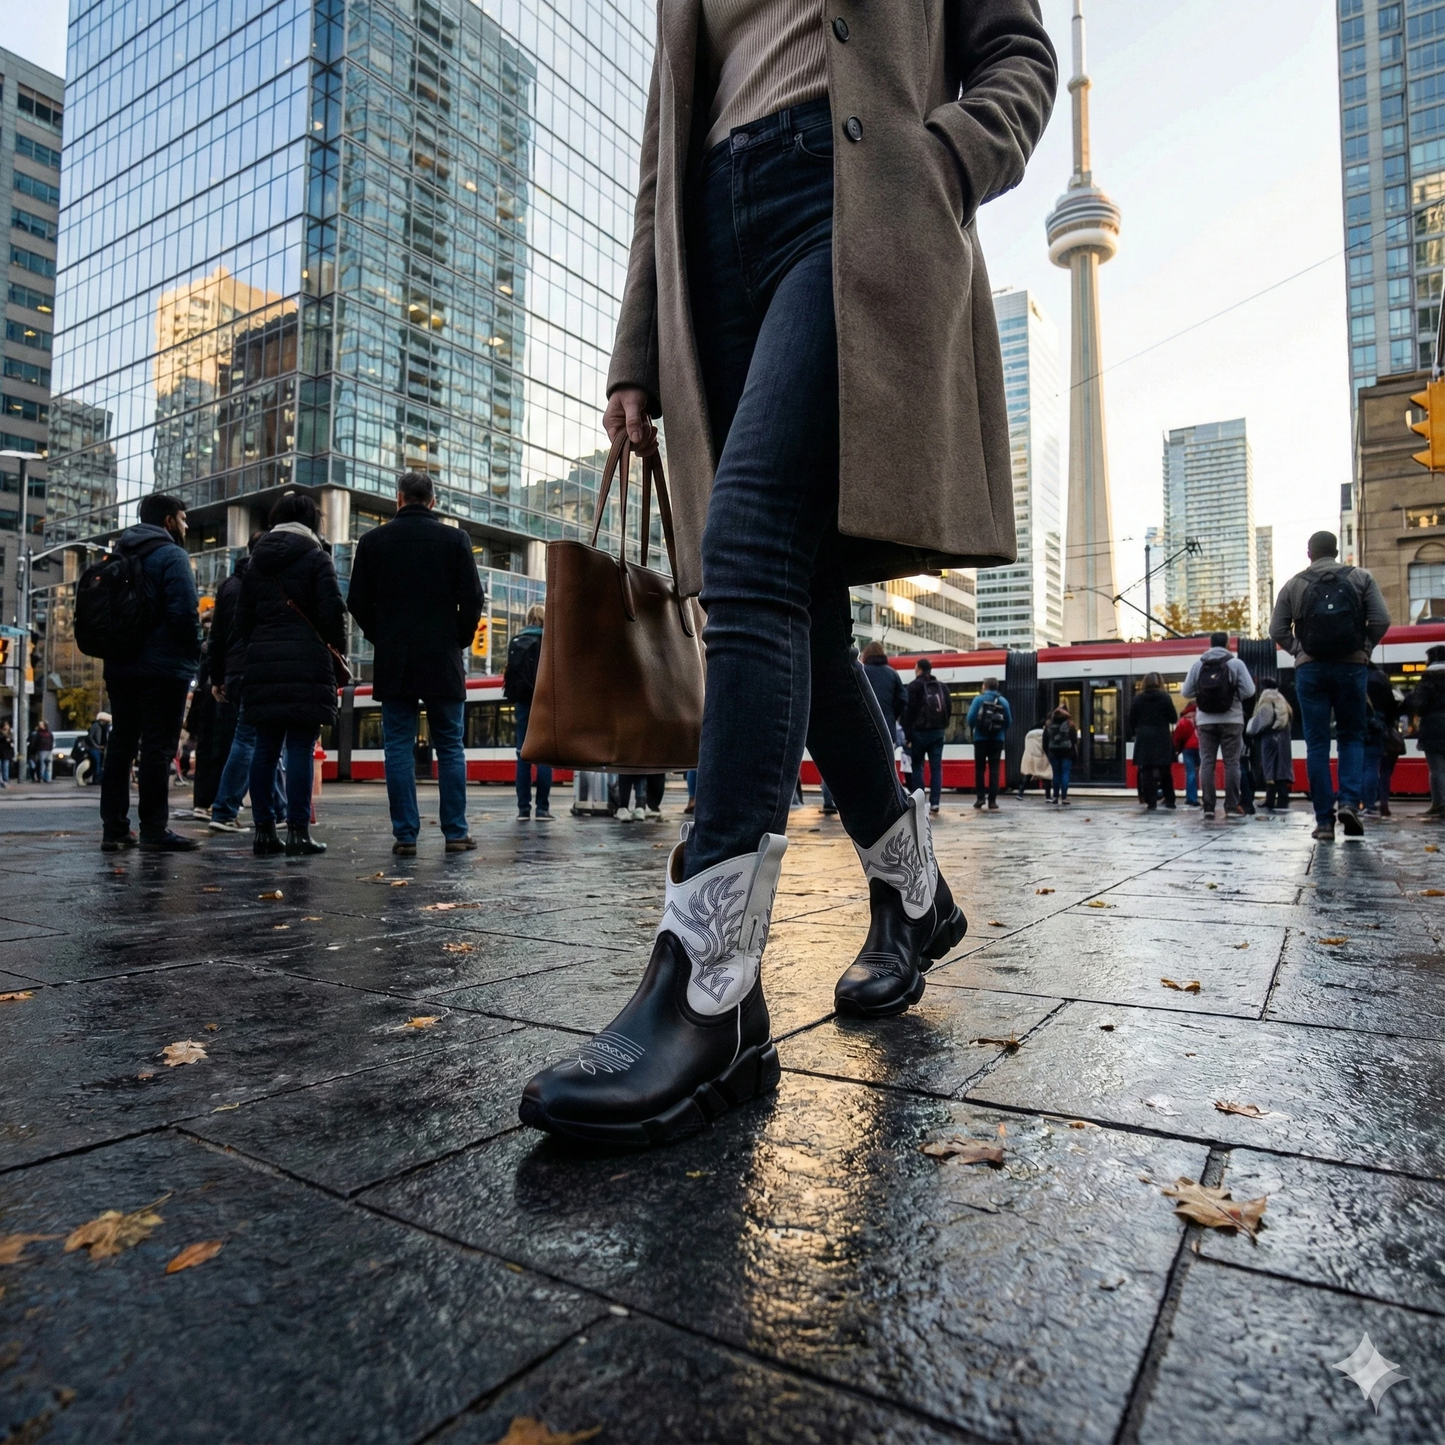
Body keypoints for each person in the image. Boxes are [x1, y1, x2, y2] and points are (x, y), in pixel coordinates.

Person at [519, 1, 1055, 1143]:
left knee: (751, 551)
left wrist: (941, 158)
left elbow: (1017, 51)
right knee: (795, 614)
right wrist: (631, 352)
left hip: (853, 200)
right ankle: (911, 892)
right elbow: (662, 152)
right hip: (713, 242)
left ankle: (707, 982)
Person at [347, 470, 486, 853]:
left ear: (399, 499)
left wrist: (383, 637)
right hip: (441, 657)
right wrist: (456, 638)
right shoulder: (455, 539)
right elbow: (473, 598)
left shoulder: (373, 541)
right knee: (450, 745)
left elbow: (356, 601)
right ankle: (455, 832)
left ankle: (405, 835)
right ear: (433, 501)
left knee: (397, 747)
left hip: (396, 659)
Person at [238, 491, 347, 857]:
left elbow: (242, 620)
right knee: (300, 746)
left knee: (265, 748)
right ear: (311, 521)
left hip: (263, 659)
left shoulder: (255, 562)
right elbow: (333, 613)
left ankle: (264, 832)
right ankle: (299, 832)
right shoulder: (317, 558)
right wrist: (338, 649)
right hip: (307, 660)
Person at [1269, 530, 1390, 840]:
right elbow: (1381, 619)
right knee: (1352, 737)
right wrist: (1364, 648)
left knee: (1317, 744)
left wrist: (1299, 650)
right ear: (1336, 551)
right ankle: (1350, 802)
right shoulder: (1361, 577)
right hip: (1351, 667)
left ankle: (1324, 822)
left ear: (1309, 553)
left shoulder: (1294, 584)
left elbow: (1277, 629)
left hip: (1311, 670)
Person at [99, 493, 201, 851]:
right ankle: (154, 829)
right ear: (170, 521)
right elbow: (184, 615)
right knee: (158, 747)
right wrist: (195, 652)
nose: (186, 526)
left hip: (120, 667)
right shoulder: (172, 555)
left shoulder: (118, 554)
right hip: (163, 670)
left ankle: (114, 828)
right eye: (183, 519)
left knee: (121, 744)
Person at [208, 534, 286, 832]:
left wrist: (217, 678)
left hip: (234, 671)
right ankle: (225, 809)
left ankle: (279, 809)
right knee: (251, 739)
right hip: (257, 667)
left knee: (263, 739)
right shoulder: (266, 581)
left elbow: (216, 637)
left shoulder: (228, 585)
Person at [1181, 633, 1255, 819]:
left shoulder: (1198, 664)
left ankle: (1208, 807)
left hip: (1205, 721)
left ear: (1210, 644)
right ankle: (1231, 806)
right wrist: (1234, 696)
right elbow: (1249, 691)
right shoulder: (1236, 664)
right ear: (1228, 644)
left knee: (1207, 762)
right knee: (1232, 763)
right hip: (1232, 720)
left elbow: (1186, 691)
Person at [504, 603, 552, 822]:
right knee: (543, 755)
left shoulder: (516, 640)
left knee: (522, 755)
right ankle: (542, 809)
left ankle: (523, 810)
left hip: (522, 703)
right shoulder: (548, 641)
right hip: (544, 703)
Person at [905, 658, 952, 814]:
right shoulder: (942, 687)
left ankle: (919, 803)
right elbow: (948, 709)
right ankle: (935, 804)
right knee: (936, 768)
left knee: (917, 766)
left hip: (919, 733)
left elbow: (908, 713)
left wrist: (908, 735)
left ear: (918, 669)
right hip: (938, 733)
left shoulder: (913, 686)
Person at [1406, 645, 1445, 819]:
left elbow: (1418, 704)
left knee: (1436, 769)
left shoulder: (1427, 679)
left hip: (1433, 728)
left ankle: (1438, 804)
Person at [1129, 673, 1177, 810]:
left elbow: (1131, 720)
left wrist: (1136, 732)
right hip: (1162, 737)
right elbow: (1173, 718)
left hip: (1144, 739)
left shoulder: (1137, 699)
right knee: (1165, 771)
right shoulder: (1165, 697)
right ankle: (1170, 800)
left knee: (1146, 771)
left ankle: (1151, 802)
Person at [966, 677, 1011, 811]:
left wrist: (977, 729)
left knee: (980, 769)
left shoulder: (978, 700)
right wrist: (1000, 731)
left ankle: (980, 798)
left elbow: (970, 719)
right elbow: (1008, 721)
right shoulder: (1003, 701)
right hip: (997, 740)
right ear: (996, 687)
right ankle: (992, 801)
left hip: (980, 739)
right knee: (994, 769)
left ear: (984, 686)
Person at [1248, 682, 1294, 811]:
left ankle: (1270, 800)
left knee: (1269, 767)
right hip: (1283, 738)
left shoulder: (1267, 700)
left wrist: (1251, 730)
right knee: (1281, 767)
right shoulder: (1281, 699)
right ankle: (1283, 800)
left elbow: (1263, 720)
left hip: (1269, 737)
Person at [1363, 664, 1400, 817]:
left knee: (1355, 764)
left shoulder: (1351, 673)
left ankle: (1352, 803)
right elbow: (1391, 707)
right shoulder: (1381, 677)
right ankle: (1371, 805)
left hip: (1355, 724)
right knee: (1372, 766)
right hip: (1377, 726)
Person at [1044, 706, 1077, 803]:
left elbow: (1045, 741)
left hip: (1053, 751)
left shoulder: (1049, 725)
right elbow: (1074, 740)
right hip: (1066, 751)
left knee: (1056, 774)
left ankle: (1055, 797)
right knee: (1065, 773)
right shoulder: (1070, 725)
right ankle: (1064, 797)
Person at [1173, 703, 1200, 807]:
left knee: (1190, 773)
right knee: (1201, 773)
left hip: (1188, 749)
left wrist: (1176, 749)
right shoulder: (1201, 719)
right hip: (1200, 748)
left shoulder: (1184, 721)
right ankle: (1203, 797)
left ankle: (1191, 798)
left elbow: (1177, 737)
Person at [1017, 723, 1052, 799]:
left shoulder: (1029, 735)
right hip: (1043, 757)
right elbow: (1045, 746)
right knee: (1047, 776)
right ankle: (1048, 797)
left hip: (1031, 757)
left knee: (1028, 775)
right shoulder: (1045, 734)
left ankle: (1020, 793)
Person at [0, 721, 13, 787]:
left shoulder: (10, 734)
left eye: (7, 725)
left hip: (6, 753)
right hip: (1, 752)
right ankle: (1, 781)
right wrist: (4, 738)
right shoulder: (1, 734)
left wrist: (10, 742)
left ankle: (5, 780)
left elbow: (11, 743)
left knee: (5, 767)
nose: (7, 727)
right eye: (5, 725)